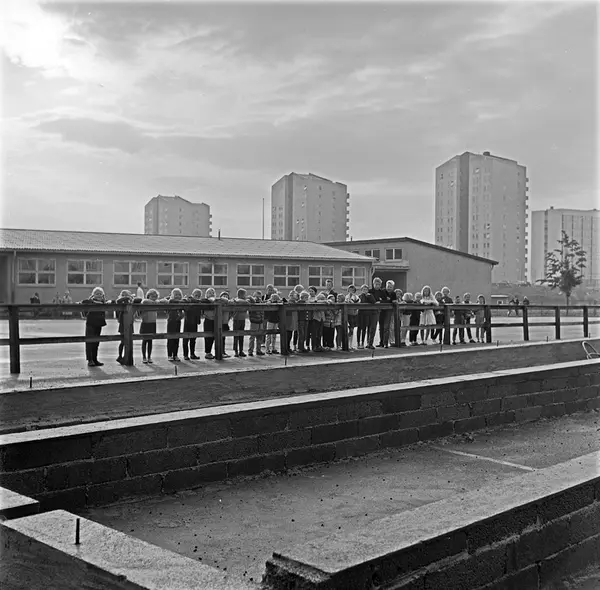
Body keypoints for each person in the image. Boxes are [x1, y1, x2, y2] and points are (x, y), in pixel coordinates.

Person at [80, 286, 106, 367]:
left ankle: (95, 359)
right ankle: (90, 360)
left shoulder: (103, 303)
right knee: (89, 342)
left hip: (99, 324)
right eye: (97, 293)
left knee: (96, 342)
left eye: (100, 294)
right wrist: (90, 299)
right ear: (93, 295)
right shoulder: (90, 302)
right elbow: (83, 302)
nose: (99, 295)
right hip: (91, 323)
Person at [163, 288, 184, 361]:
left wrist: (182, 315)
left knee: (176, 339)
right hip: (171, 322)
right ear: (172, 295)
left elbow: (182, 312)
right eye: (176, 294)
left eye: (179, 295)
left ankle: (175, 354)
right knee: (170, 339)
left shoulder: (180, 303)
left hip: (178, 322)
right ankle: (169, 355)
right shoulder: (170, 301)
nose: (177, 296)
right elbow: (168, 307)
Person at [139, 288, 159, 364]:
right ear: (148, 296)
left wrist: (156, 302)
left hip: (153, 323)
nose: (154, 298)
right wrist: (156, 302)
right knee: (144, 341)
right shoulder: (145, 301)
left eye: (155, 296)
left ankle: (149, 357)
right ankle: (144, 357)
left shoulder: (155, 303)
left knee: (150, 341)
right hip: (145, 323)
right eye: (152, 296)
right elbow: (145, 301)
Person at [182, 288, 203, 360]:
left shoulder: (199, 302)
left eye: (199, 296)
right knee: (185, 339)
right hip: (188, 322)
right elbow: (185, 303)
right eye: (196, 295)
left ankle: (192, 354)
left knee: (193, 339)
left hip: (194, 323)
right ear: (192, 295)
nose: (197, 297)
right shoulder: (189, 300)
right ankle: (185, 355)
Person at [113, 289, 133, 364]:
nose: (125, 297)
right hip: (122, 323)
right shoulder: (120, 302)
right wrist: (125, 298)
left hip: (129, 323)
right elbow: (118, 301)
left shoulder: (130, 302)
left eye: (126, 295)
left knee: (129, 341)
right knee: (123, 341)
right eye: (123, 295)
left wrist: (129, 298)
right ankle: (120, 356)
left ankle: (127, 356)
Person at [377, 280, 397, 348]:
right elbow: (380, 300)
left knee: (386, 327)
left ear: (393, 287)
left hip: (388, 311)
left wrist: (386, 301)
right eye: (388, 286)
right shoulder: (382, 291)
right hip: (381, 311)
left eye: (390, 287)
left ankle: (385, 343)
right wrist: (389, 301)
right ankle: (381, 342)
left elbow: (394, 302)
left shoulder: (393, 294)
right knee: (381, 327)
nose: (389, 288)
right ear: (386, 286)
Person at [368, 277, 385, 348]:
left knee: (380, 327)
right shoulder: (370, 291)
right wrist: (376, 301)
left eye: (379, 284)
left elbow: (385, 300)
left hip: (380, 310)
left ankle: (381, 342)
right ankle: (369, 343)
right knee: (371, 327)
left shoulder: (382, 292)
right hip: (371, 311)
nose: (377, 286)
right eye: (376, 284)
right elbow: (369, 299)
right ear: (373, 284)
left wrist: (380, 301)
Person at [231, 288, 248, 357]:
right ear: (241, 295)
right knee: (236, 336)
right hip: (236, 319)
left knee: (241, 336)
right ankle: (236, 351)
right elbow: (238, 301)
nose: (245, 296)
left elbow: (248, 302)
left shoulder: (243, 301)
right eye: (245, 295)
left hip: (242, 320)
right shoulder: (236, 300)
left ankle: (241, 350)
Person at [202, 288, 217, 359]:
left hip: (215, 320)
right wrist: (210, 300)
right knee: (207, 337)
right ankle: (207, 352)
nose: (211, 294)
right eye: (209, 292)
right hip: (208, 320)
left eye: (213, 293)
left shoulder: (215, 301)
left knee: (213, 337)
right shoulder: (205, 301)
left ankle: (213, 352)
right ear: (206, 294)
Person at [345, 284, 360, 350]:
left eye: (352, 290)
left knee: (352, 329)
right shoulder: (346, 297)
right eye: (350, 289)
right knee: (349, 329)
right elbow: (346, 302)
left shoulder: (356, 297)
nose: (351, 291)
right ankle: (347, 344)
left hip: (354, 314)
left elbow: (358, 302)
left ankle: (351, 344)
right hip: (348, 314)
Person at [219, 292, 232, 358]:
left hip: (225, 323)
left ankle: (223, 351)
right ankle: (220, 352)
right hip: (220, 323)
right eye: (224, 296)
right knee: (220, 338)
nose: (225, 297)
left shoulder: (228, 305)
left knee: (223, 338)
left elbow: (229, 315)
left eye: (226, 296)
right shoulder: (220, 304)